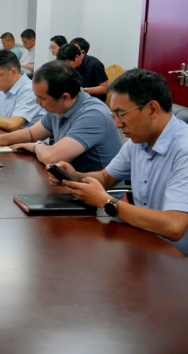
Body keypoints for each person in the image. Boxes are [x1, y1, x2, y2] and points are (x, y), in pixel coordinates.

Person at [50, 69, 188, 254]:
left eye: (121, 114)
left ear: (152, 109)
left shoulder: (183, 151)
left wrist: (106, 201)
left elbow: (174, 226)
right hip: (146, 243)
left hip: (177, 258)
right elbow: (106, 178)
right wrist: (74, 176)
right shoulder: (138, 141)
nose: (117, 124)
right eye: (114, 115)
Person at [0, 60, 122, 172]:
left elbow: (51, 157)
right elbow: (31, 133)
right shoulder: (59, 107)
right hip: (68, 181)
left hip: (97, 195)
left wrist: (36, 146)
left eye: (42, 98)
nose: (37, 102)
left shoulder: (93, 116)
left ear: (64, 97)